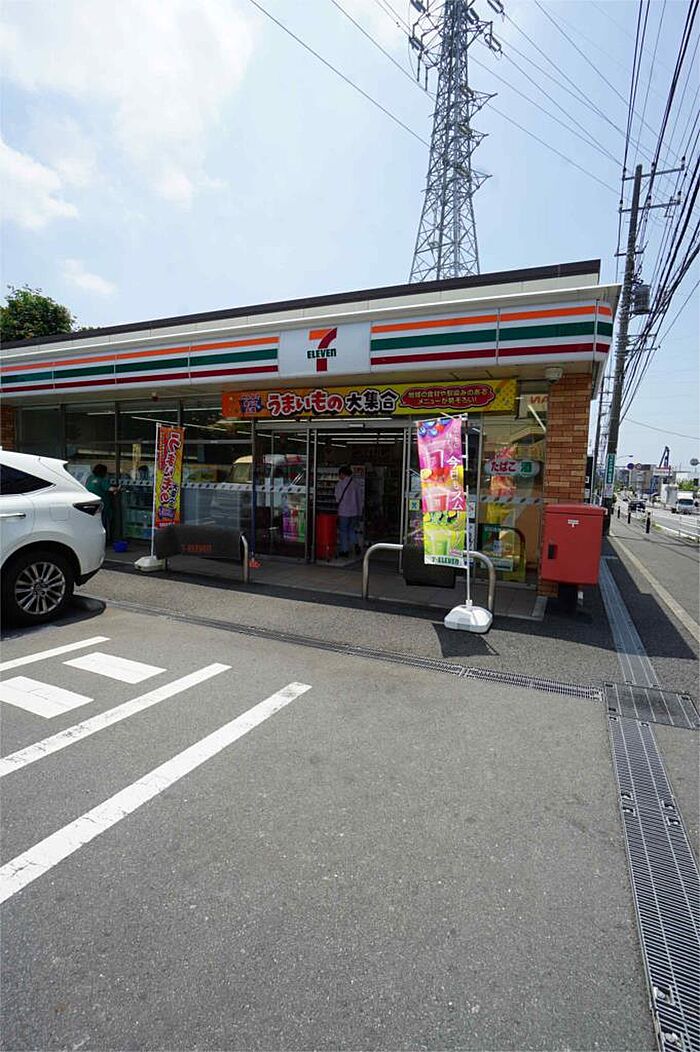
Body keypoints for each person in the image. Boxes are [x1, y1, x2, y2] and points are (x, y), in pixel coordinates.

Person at [334, 465, 364, 558]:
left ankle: (345, 550)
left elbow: (337, 498)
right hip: (354, 512)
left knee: (343, 531)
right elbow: (360, 499)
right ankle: (356, 544)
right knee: (352, 529)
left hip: (344, 512)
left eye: (339, 474)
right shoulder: (356, 484)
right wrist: (360, 512)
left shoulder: (340, 484)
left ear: (342, 474)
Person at [86, 464, 118, 541]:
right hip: (101, 505)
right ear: (103, 472)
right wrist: (117, 488)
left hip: (89, 504)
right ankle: (104, 540)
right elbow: (110, 489)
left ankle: (92, 539)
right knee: (102, 522)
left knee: (92, 523)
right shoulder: (102, 480)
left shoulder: (90, 478)